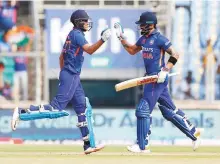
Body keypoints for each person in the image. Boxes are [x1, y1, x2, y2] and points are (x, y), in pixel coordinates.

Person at [11, 9, 111, 154]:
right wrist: (102, 40)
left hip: (70, 75)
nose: (87, 23)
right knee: (56, 109)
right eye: (85, 20)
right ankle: (21, 112)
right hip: (70, 75)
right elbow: (89, 50)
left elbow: (61, 57)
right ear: (78, 22)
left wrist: (62, 74)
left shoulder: (72, 34)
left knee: (82, 108)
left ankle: (88, 144)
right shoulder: (77, 35)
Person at [114, 11, 202, 153]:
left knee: (143, 110)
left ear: (151, 25)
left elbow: (175, 54)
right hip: (150, 78)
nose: (140, 27)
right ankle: (194, 132)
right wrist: (122, 38)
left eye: (142, 24)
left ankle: (142, 146)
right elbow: (132, 50)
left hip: (158, 78)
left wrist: (166, 70)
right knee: (169, 111)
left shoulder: (160, 39)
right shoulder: (143, 39)